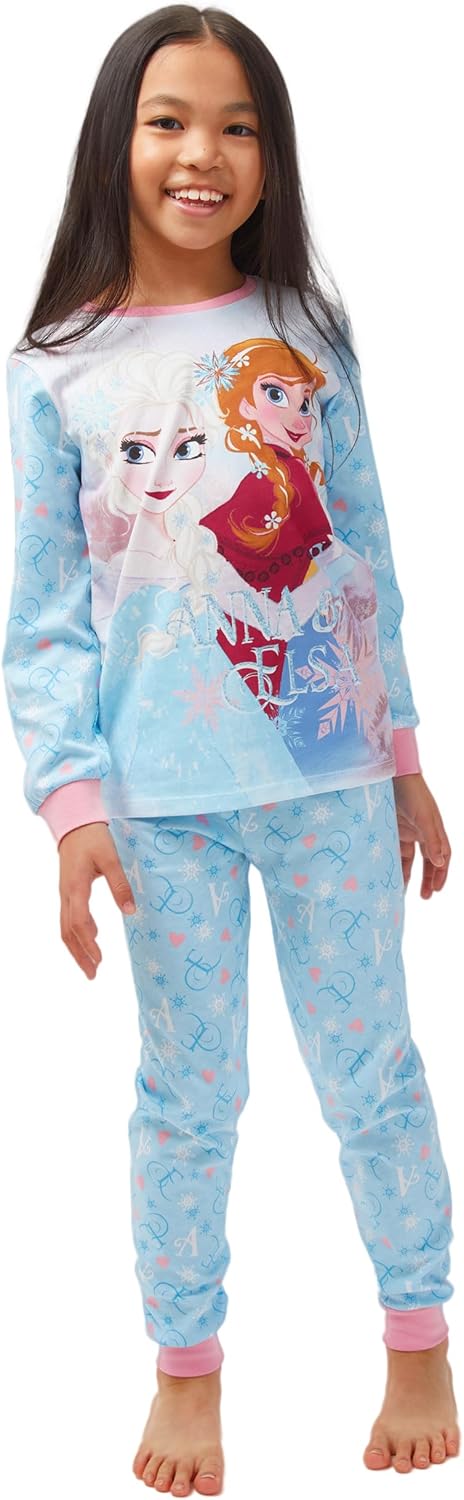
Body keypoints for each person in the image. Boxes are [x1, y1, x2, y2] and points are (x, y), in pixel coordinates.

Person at [2, 5, 460, 1489]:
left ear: (272, 153)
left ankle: (418, 1335)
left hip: (332, 780)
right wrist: (72, 808)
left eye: (238, 126)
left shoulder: (306, 335)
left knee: (371, 1071)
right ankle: (185, 1368)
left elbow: (364, 556)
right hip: (162, 807)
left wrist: (404, 754)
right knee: (188, 1100)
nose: (203, 153)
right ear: (116, 141)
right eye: (170, 121)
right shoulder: (56, 366)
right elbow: (43, 617)